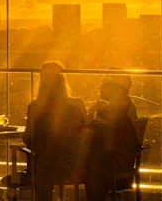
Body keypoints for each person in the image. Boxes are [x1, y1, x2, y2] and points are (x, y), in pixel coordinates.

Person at [24, 62, 88, 201]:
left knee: (42, 162)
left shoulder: (35, 107)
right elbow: (83, 134)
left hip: (44, 168)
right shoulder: (76, 105)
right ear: (63, 82)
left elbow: (27, 139)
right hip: (72, 166)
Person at [86, 71, 139, 200]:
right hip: (120, 162)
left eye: (104, 85)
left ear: (116, 88)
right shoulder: (125, 106)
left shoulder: (119, 111)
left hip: (112, 165)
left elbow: (93, 130)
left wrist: (91, 111)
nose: (100, 88)